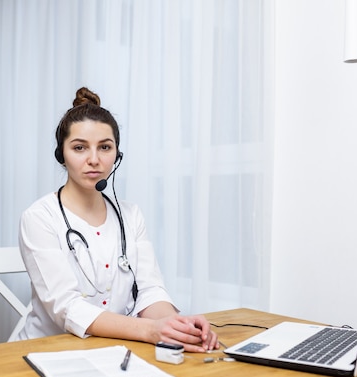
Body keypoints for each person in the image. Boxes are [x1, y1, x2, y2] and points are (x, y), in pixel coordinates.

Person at [17, 87, 219, 353]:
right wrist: (150, 330)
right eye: (79, 148)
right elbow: (68, 308)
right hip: (48, 354)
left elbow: (149, 291)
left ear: (117, 155)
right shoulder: (39, 218)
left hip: (115, 352)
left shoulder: (130, 215)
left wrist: (174, 324)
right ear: (61, 155)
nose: (94, 159)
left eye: (105, 147)